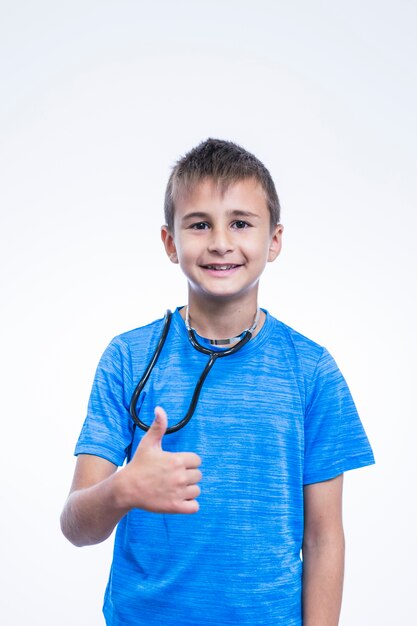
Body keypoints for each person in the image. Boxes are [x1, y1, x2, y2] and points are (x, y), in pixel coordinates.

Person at [60, 138, 374, 626]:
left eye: (241, 223)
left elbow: (323, 537)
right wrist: (123, 489)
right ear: (170, 242)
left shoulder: (312, 371)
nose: (221, 242)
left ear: (274, 240)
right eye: (200, 224)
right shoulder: (127, 358)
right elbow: (76, 526)